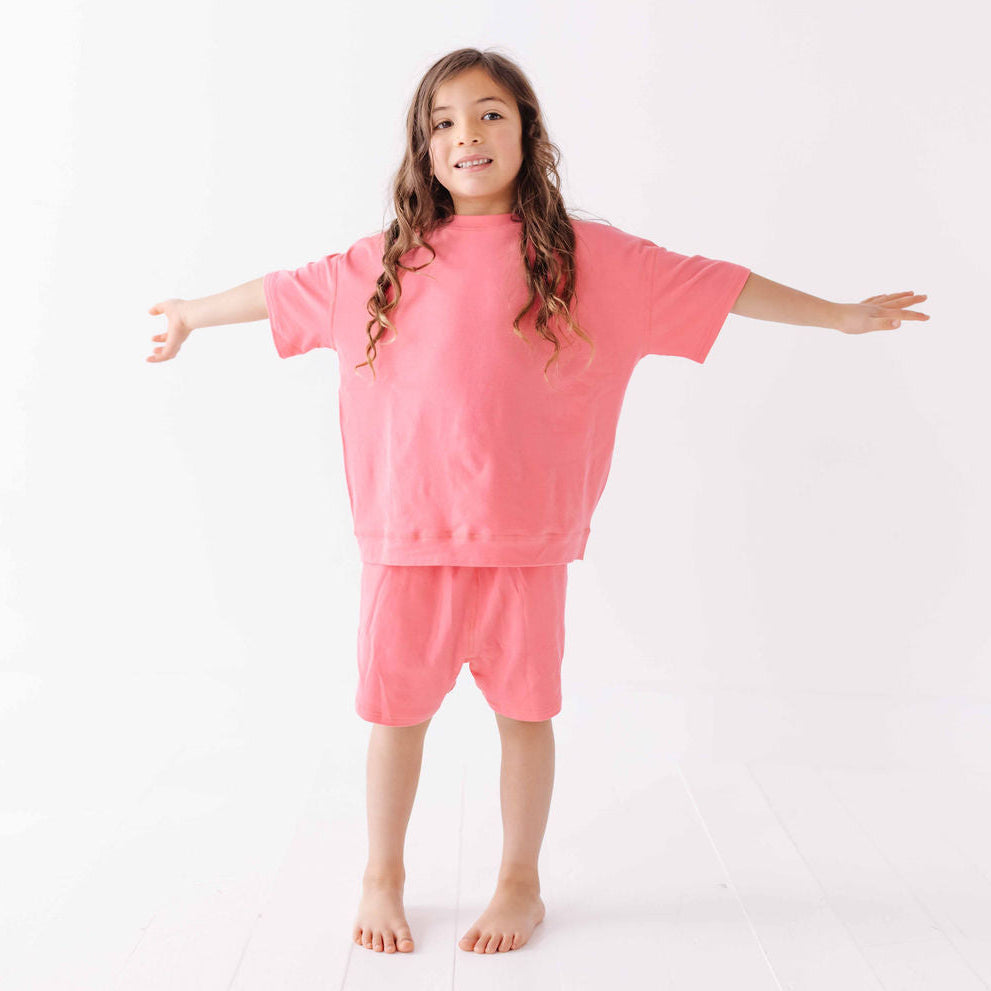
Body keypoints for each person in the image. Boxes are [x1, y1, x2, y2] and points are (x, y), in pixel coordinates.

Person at [145, 48, 930, 957]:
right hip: (407, 538)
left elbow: (715, 282)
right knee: (395, 716)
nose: (466, 135)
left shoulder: (590, 257)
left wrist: (836, 313)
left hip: (525, 537)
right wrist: (193, 313)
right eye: (442, 122)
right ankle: (381, 870)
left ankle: (520, 877)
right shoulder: (380, 262)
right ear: (421, 149)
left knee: (525, 712)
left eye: (487, 115)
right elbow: (279, 292)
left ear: (526, 132)